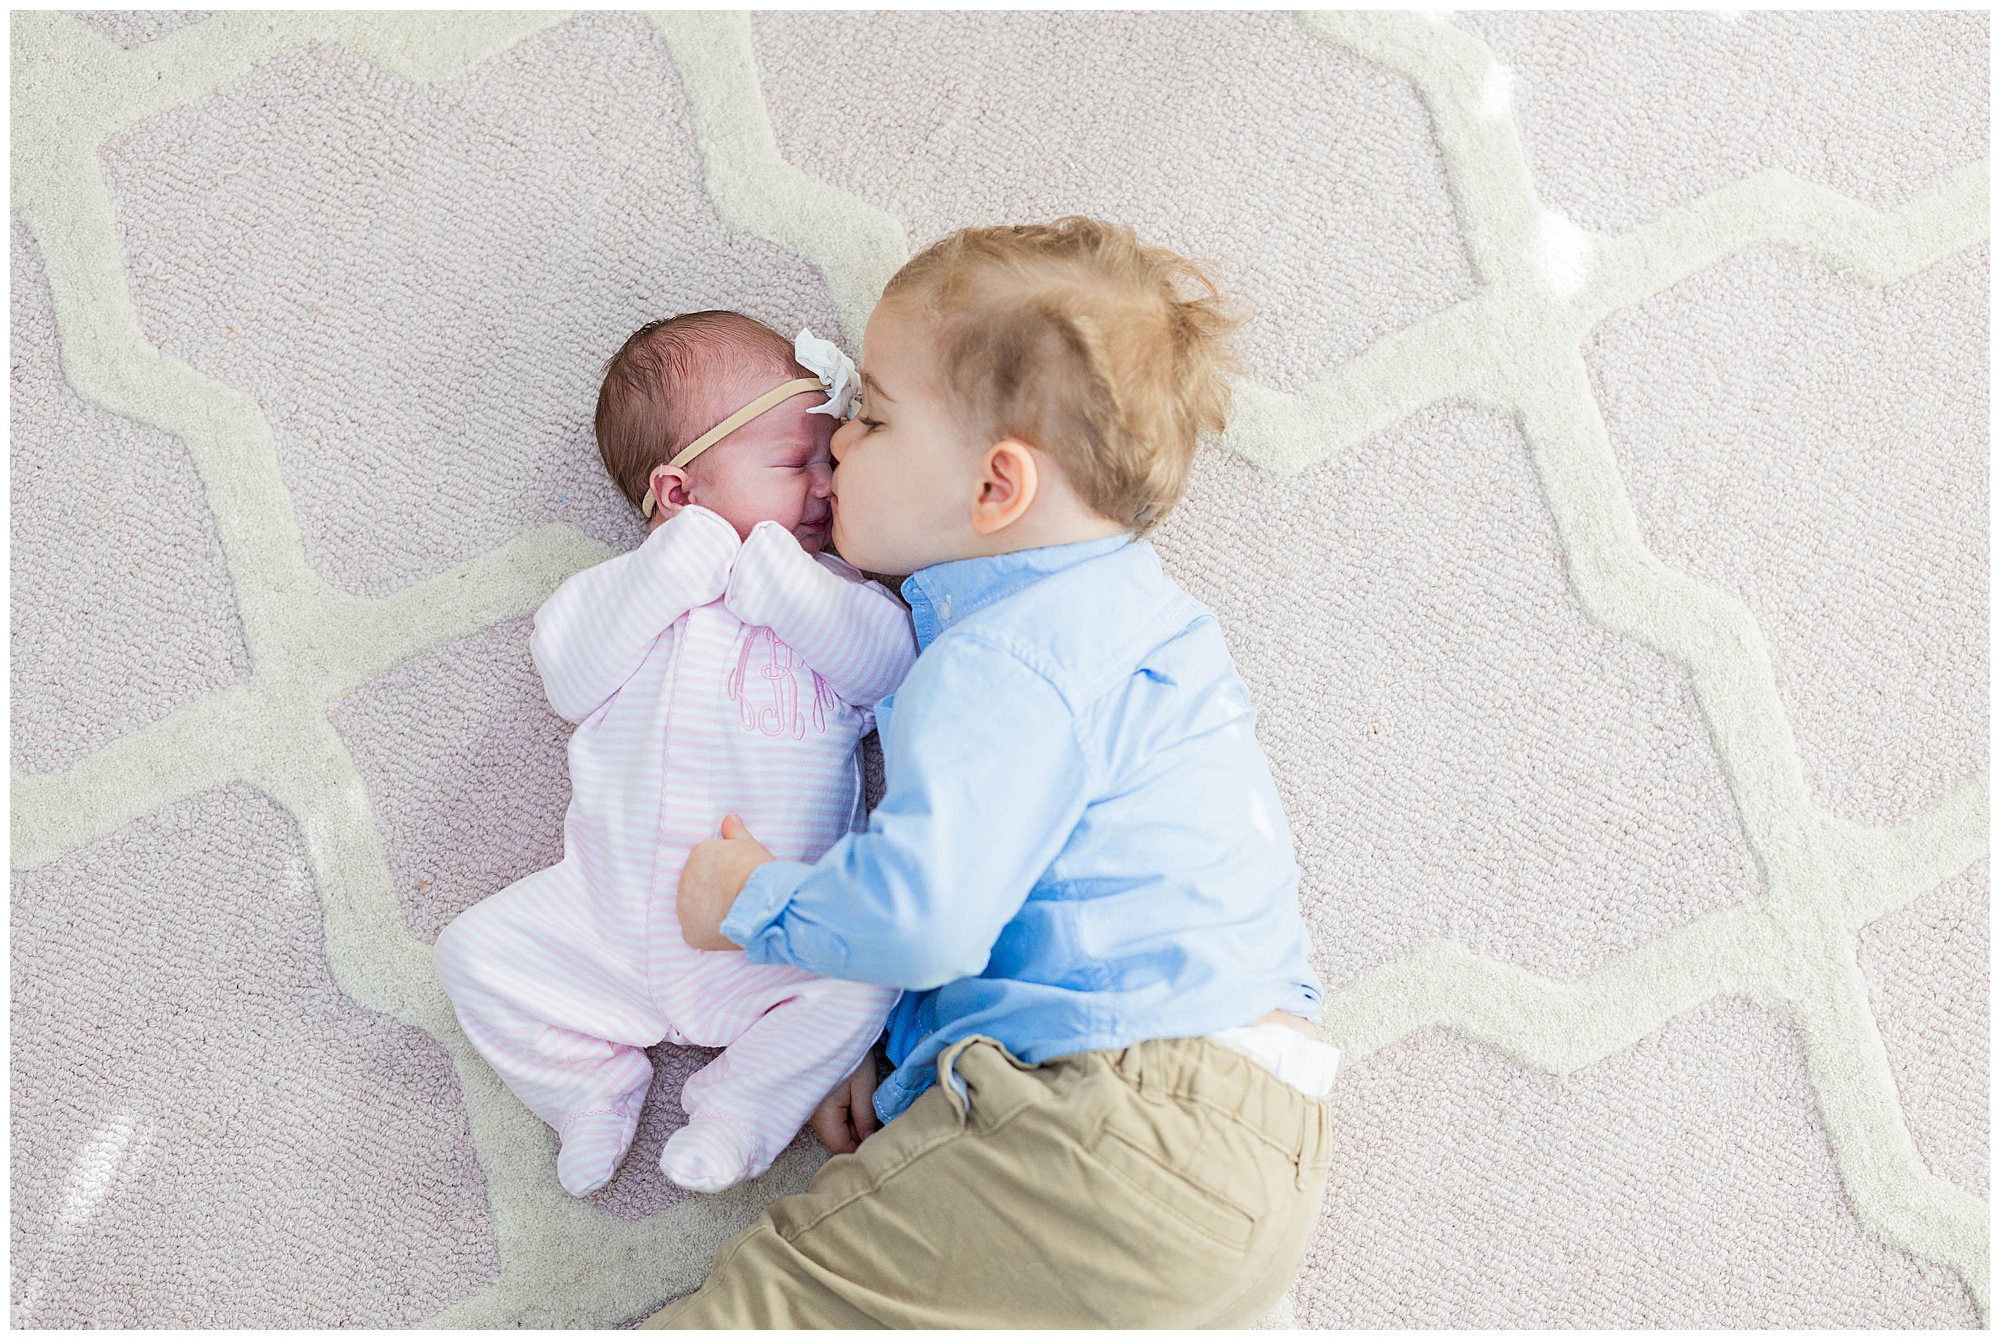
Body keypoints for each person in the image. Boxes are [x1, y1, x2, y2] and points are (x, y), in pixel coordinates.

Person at [651, 218, 1338, 1328]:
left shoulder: (1004, 659)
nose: (836, 442)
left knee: (777, 1303)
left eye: (872, 417)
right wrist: (903, 1053)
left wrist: (751, 903)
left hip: (1111, 1120)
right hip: (1257, 1144)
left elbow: (927, 915)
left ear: (995, 486)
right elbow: (1044, 892)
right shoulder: (1144, 625)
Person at [432, 313, 916, 1196]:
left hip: (765, 921)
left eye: (830, 461)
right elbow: (570, 680)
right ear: (680, 492)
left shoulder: (837, 596)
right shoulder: (617, 593)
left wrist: (786, 586)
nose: (826, 485)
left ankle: (735, 1114)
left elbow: (890, 674)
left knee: (862, 984)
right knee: (473, 954)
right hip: (604, 916)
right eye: (794, 463)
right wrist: (670, 570)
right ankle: (588, 1088)